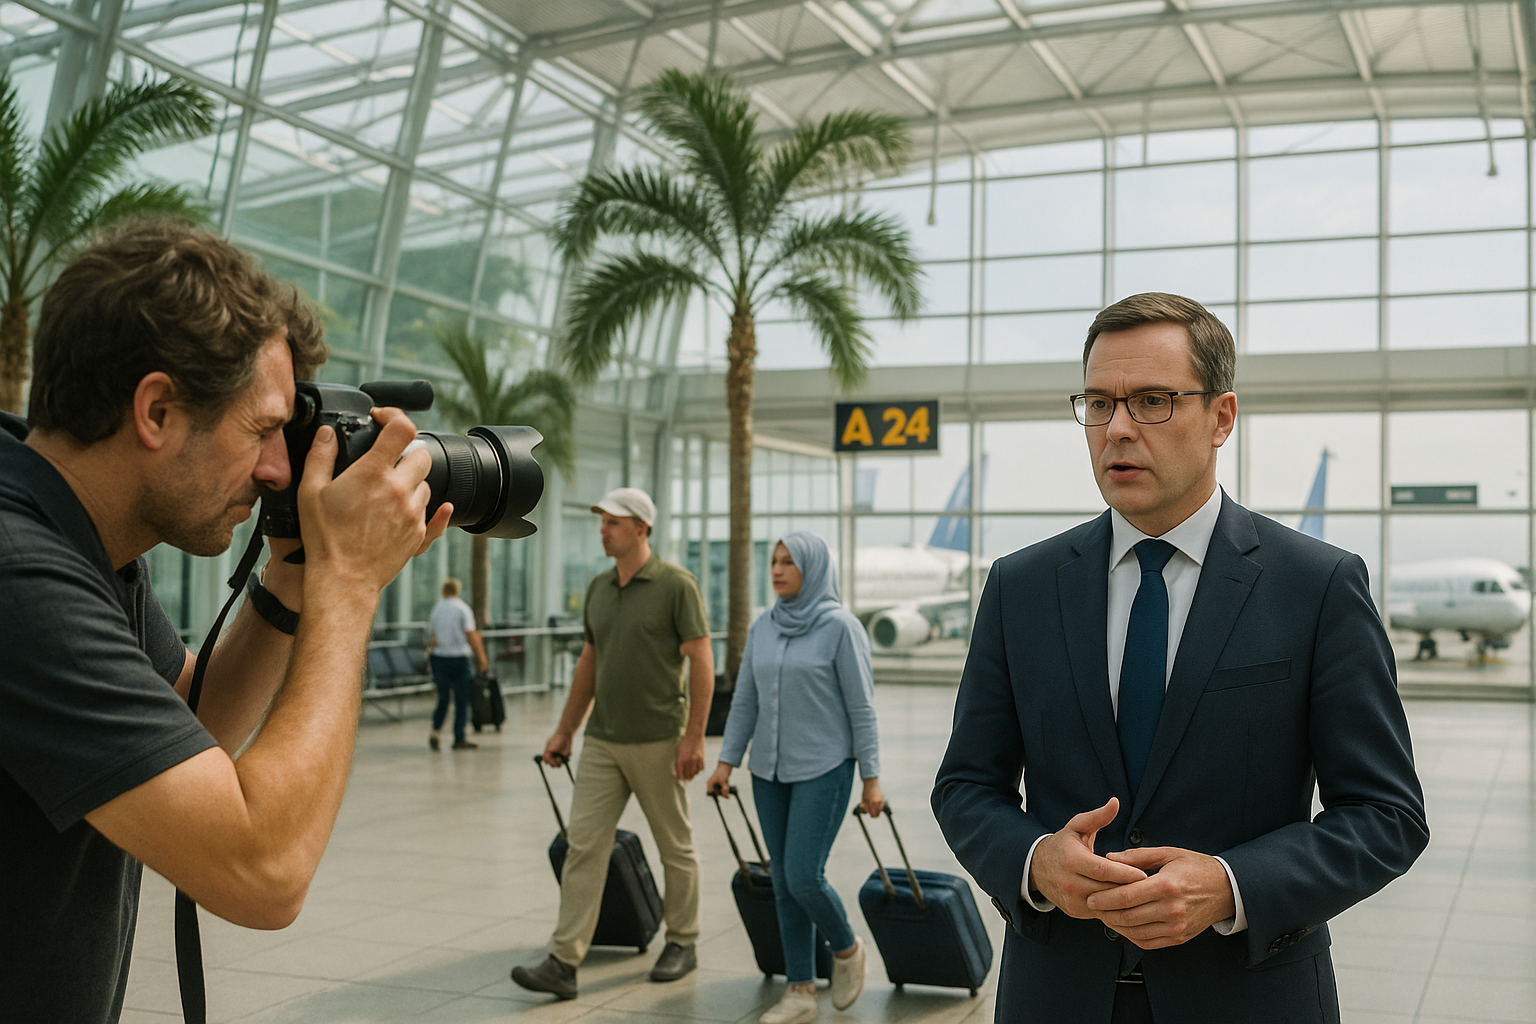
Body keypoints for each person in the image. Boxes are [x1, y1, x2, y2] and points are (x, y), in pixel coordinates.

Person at [931, 292, 1429, 1024]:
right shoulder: (1021, 586)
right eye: (1099, 404)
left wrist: (1231, 885)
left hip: (1248, 998)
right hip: (1055, 995)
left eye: (1153, 401)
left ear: (1222, 417)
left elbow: (1387, 814)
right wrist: (1036, 862)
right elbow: (966, 785)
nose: (1118, 428)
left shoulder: (1316, 585)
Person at [0, 220, 449, 1023]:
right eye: (261, 430)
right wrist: (349, 584)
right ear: (157, 410)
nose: (278, 469)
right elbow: (264, 872)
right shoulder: (19, 573)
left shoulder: (74, 528)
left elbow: (185, 722)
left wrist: (293, 579)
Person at [512, 487, 714, 998]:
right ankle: (563, 961)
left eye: (613, 523)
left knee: (675, 846)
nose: (603, 530)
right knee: (583, 847)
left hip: (659, 737)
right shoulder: (599, 587)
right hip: (602, 740)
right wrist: (566, 730)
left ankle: (683, 941)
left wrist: (694, 737)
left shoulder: (676, 585)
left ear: (642, 528)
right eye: (601, 521)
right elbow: (590, 662)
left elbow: (701, 660)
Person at [707, 531, 883, 1024]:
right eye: (774, 561)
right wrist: (726, 762)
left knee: (804, 876)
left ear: (814, 568)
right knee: (783, 882)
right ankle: (800, 988)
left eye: (789, 562)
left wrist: (871, 777)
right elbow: (745, 699)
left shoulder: (841, 628)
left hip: (824, 768)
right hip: (768, 770)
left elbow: (862, 708)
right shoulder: (763, 626)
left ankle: (846, 949)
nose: (778, 570)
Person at [426, 577, 489, 750]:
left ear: (444, 590)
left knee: (443, 697)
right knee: (461, 699)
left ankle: (436, 730)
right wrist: (481, 658)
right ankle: (459, 737)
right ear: (457, 590)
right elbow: (471, 635)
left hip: (439, 657)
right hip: (459, 658)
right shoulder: (462, 608)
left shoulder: (437, 609)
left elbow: (432, 636)